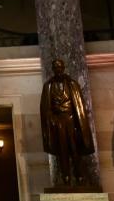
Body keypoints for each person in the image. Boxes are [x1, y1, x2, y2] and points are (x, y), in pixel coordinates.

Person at [39, 58, 95, 187]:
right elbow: (45, 108)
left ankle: (79, 176)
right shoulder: (48, 86)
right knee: (62, 151)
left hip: (72, 121)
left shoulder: (72, 84)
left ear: (63, 68)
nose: (58, 70)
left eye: (60, 67)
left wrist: (78, 123)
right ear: (53, 69)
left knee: (75, 150)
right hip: (57, 122)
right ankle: (66, 177)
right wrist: (52, 119)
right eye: (55, 67)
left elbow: (79, 105)